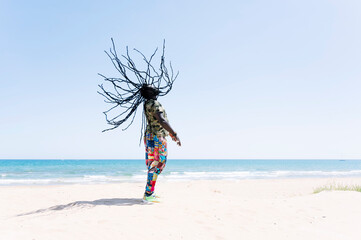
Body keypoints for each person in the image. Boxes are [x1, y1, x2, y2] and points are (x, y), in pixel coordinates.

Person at [141, 85, 181, 203]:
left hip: (149, 135)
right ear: (151, 92)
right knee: (159, 163)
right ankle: (148, 193)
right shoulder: (155, 104)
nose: (155, 87)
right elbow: (162, 120)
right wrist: (174, 133)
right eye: (152, 87)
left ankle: (149, 192)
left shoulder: (146, 103)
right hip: (157, 136)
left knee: (153, 164)